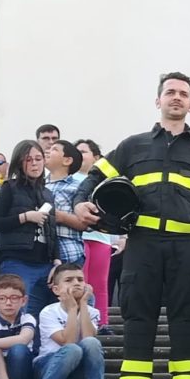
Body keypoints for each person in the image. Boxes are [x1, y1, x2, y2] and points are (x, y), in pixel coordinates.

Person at [74, 71, 190, 379]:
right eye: (170, 92)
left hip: (189, 249)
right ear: (158, 100)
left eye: (183, 94)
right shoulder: (132, 146)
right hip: (142, 247)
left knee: (189, 327)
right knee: (138, 325)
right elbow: (92, 180)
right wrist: (81, 203)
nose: (176, 98)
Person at [23, 263, 107, 379]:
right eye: (69, 280)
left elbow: (88, 339)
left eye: (80, 280)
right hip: (47, 366)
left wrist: (83, 304)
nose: (76, 283)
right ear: (56, 289)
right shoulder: (48, 312)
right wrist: (73, 308)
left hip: (76, 374)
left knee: (92, 343)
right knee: (72, 349)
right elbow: (68, 342)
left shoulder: (92, 311)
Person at [0, 140, 59, 318]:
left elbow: (52, 230)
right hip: (17, 259)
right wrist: (25, 217)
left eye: (38, 159)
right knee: (16, 312)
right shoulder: (10, 188)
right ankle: (13, 345)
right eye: (29, 160)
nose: (35, 164)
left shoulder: (47, 193)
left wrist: (57, 260)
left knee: (43, 314)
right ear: (20, 162)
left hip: (45, 261)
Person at [76, 139, 114, 333]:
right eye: (77, 152)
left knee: (100, 283)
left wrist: (120, 239)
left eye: (84, 151)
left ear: (96, 157)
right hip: (77, 237)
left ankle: (102, 322)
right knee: (80, 281)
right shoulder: (69, 178)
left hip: (100, 237)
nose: (79, 155)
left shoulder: (106, 182)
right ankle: (80, 321)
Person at [45, 140, 86, 266]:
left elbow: (86, 223)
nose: (48, 151)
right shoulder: (39, 185)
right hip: (42, 252)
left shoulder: (78, 187)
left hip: (69, 252)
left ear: (67, 161)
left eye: (54, 149)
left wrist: (61, 217)